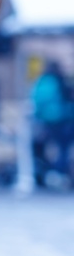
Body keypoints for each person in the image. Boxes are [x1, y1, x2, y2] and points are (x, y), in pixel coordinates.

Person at [30, 60, 72, 188]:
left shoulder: (41, 81)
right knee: (63, 147)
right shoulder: (59, 81)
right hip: (63, 119)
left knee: (52, 147)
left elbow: (36, 101)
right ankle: (58, 172)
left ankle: (51, 172)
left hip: (47, 121)